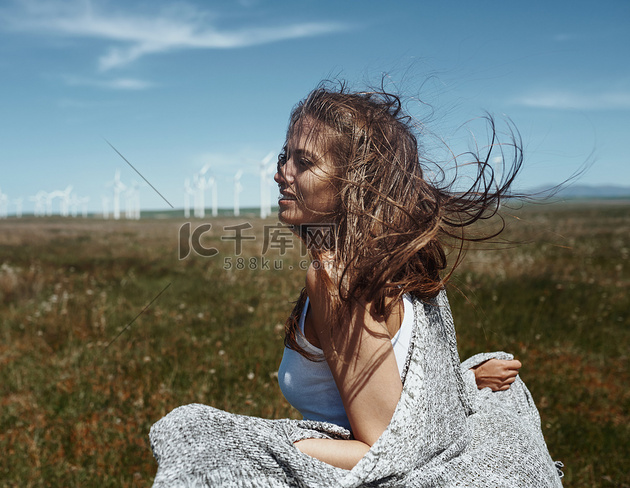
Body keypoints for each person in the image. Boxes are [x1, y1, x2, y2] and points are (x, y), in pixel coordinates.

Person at [150, 82, 563, 487]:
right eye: (284, 156)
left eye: (304, 162)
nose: (280, 174)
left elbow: (384, 450)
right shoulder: (393, 265)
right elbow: (398, 392)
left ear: (353, 182)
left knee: (196, 430)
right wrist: (465, 382)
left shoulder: (335, 279)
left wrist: (272, 442)